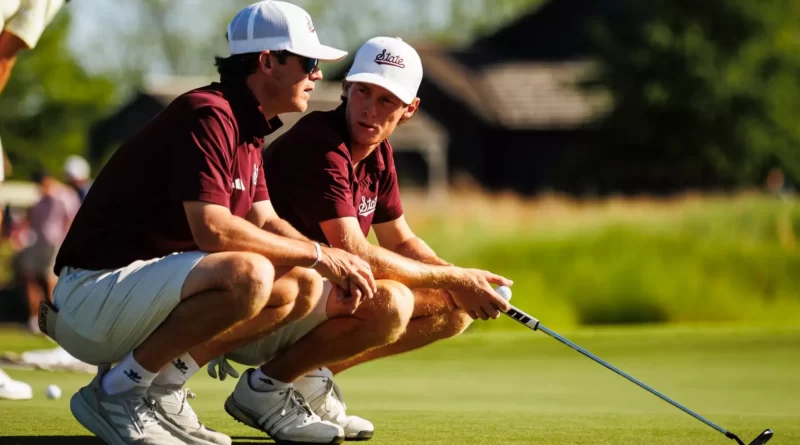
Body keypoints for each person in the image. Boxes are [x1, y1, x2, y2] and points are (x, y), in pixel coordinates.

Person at [47, 2, 382, 445]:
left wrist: (324, 261)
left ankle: (162, 389)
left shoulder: (247, 126)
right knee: (250, 272)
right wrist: (320, 252)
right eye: (309, 62)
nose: (318, 74)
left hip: (128, 294)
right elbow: (214, 229)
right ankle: (116, 392)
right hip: (90, 297)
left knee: (295, 283)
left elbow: (264, 218)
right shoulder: (209, 114)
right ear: (268, 62)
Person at [210, 37, 513, 441]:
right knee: (392, 301)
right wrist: (457, 278)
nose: (370, 108)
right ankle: (265, 388)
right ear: (346, 89)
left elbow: (401, 241)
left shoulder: (378, 153)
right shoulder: (322, 144)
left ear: (410, 110)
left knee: (454, 309)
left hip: (318, 299)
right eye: (364, 92)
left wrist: (463, 281)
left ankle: (307, 379)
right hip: (264, 305)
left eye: (387, 100)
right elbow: (356, 252)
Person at [0, 0, 68, 401]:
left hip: (51, 243)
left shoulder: (58, 195)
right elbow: (5, 52)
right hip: (43, 243)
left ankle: (44, 324)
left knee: (47, 280)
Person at [18, 166, 80, 333]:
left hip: (55, 244)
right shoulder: (39, 201)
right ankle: (35, 318)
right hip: (38, 243)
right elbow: (33, 223)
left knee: (51, 281)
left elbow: (71, 220)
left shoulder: (63, 196)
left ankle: (57, 320)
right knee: (31, 279)